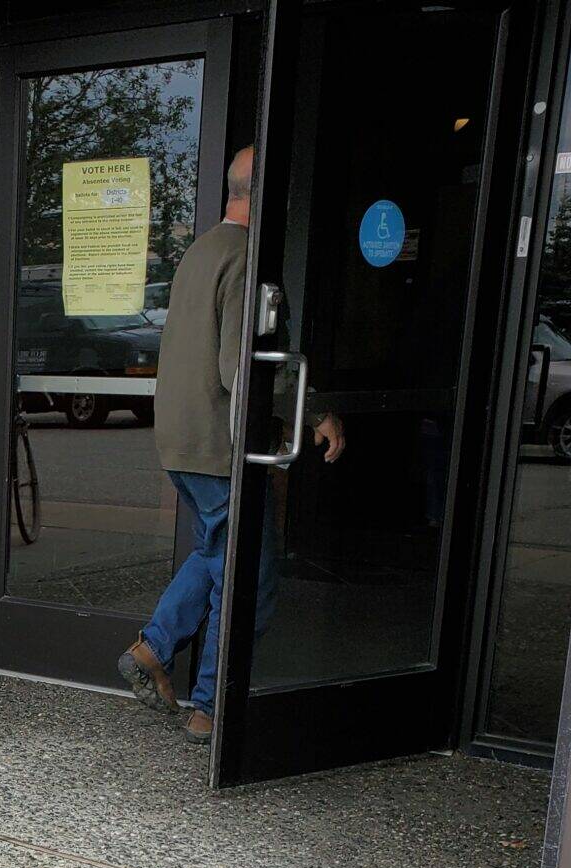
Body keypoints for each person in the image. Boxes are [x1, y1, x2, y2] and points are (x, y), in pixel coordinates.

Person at [118, 146, 344, 745]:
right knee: (251, 577)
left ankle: (154, 651)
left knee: (217, 555)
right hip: (222, 447)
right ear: (264, 194)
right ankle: (212, 706)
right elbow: (243, 368)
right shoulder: (246, 260)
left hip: (183, 442)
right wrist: (315, 411)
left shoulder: (200, 251)